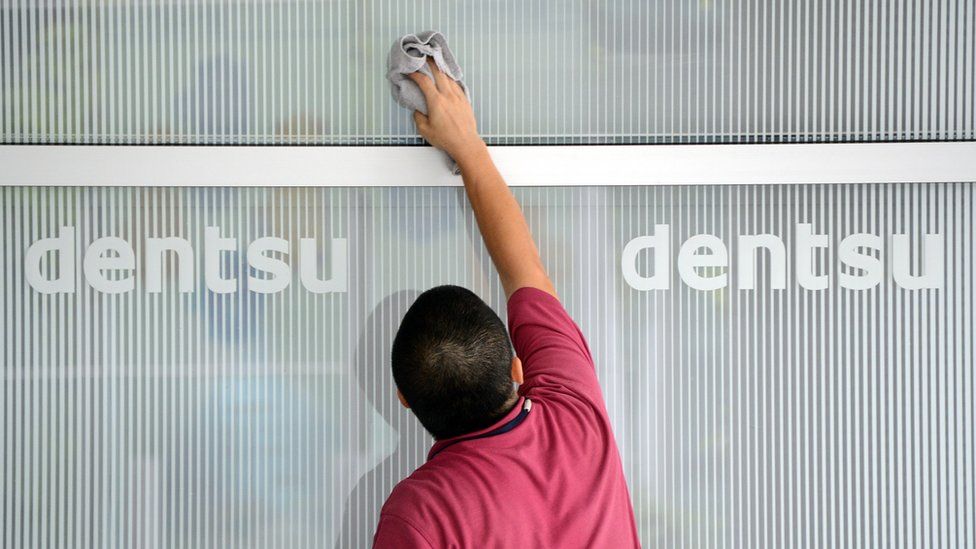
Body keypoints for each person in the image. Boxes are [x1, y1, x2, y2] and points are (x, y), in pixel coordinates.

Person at [372, 59, 640, 548]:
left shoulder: (420, 515)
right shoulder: (575, 418)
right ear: (518, 368)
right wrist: (468, 147)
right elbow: (526, 273)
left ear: (405, 399)